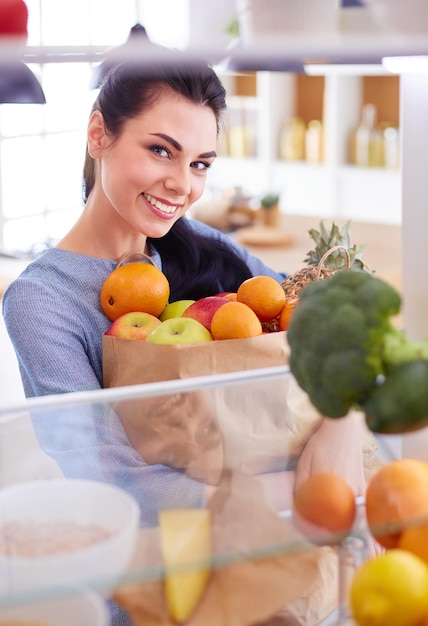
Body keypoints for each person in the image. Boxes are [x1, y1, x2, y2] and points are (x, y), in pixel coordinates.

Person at [2, 57, 379, 624]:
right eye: (161, 150)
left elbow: (321, 325)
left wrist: (342, 424)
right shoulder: (41, 301)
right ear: (99, 133)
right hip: (165, 593)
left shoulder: (198, 243)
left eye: (200, 163)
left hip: (284, 564)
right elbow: (116, 481)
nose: (183, 185)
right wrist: (312, 493)